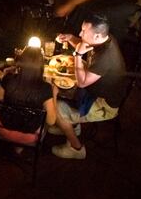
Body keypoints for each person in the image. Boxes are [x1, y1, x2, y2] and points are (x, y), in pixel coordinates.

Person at [51, 15, 127, 159]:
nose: (80, 34)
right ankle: (72, 126)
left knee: (55, 107)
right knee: (62, 89)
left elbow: (82, 83)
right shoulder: (104, 38)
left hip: (104, 104)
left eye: (83, 31)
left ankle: (76, 148)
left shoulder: (106, 57)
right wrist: (70, 38)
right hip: (95, 90)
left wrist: (78, 55)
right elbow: (84, 43)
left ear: (97, 35)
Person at [0, 46, 58, 145]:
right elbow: (51, 121)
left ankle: (15, 146)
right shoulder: (45, 88)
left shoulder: (9, 79)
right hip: (30, 136)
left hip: (3, 129)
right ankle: (20, 147)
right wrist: (54, 95)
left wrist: (4, 79)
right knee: (47, 119)